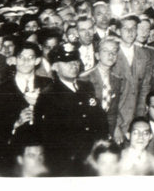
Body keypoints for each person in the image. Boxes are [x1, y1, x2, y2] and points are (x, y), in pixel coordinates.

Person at [33, 42, 109, 175]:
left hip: (93, 157)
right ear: (55, 67)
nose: (73, 65)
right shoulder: (48, 95)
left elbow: (100, 118)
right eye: (67, 62)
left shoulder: (86, 87)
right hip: (66, 163)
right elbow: (47, 135)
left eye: (75, 61)